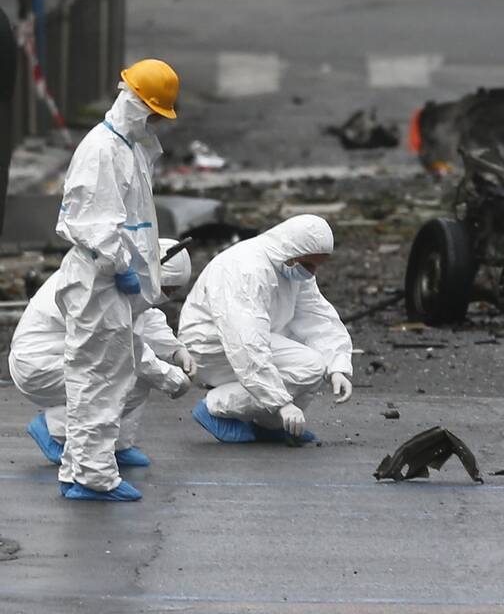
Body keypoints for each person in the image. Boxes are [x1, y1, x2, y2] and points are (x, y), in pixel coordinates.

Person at [53, 59, 180, 502]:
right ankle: (94, 477)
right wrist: (119, 264)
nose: (152, 121)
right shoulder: (103, 150)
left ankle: (78, 468)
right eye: (152, 111)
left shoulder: (124, 147)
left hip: (106, 282)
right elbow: (92, 221)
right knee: (101, 379)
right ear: (138, 103)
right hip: (100, 281)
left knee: (101, 376)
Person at [9, 239, 195, 468]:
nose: (167, 296)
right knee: (123, 377)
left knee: (132, 379)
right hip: (39, 364)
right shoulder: (104, 286)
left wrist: (176, 350)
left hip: (54, 355)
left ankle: (117, 446)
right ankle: (54, 428)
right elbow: (128, 348)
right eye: (168, 290)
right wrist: (172, 379)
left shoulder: (125, 276)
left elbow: (144, 316)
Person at [179, 215, 354, 444]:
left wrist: (338, 366)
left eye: (317, 266)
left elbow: (317, 317)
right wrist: (281, 403)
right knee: (309, 365)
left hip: (246, 339)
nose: (312, 272)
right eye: (310, 264)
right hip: (209, 346)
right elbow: (245, 342)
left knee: (316, 361)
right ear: (293, 253)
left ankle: (270, 424)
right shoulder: (246, 269)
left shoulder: (290, 264)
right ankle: (215, 407)